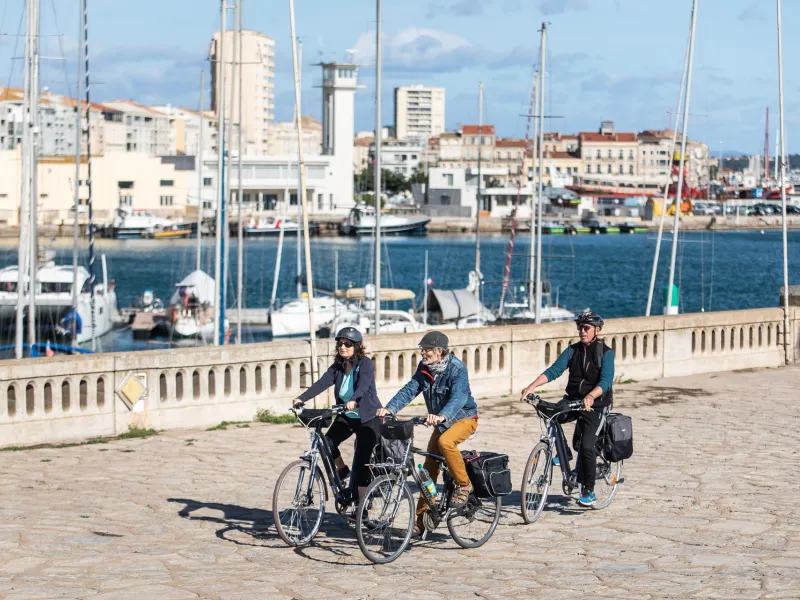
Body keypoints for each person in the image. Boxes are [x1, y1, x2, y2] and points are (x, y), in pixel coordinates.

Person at [377, 331, 478, 534]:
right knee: (427, 472)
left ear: (439, 351)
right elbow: (410, 389)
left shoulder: (457, 368)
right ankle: (422, 520)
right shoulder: (425, 368)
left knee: (446, 443)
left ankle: (464, 485)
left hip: (464, 418)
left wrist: (441, 416)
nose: (423, 353)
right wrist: (390, 409)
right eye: (421, 349)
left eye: (427, 349)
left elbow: (458, 398)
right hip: (441, 423)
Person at [520, 310, 615, 507]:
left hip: (595, 405)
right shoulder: (573, 351)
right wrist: (532, 387)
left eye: (586, 328)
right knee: (552, 414)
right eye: (580, 328)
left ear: (596, 330)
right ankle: (566, 454)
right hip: (573, 400)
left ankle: (588, 491)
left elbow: (606, 381)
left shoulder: (606, 353)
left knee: (587, 446)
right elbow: (554, 371)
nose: (582, 331)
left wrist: (590, 396)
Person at [292, 327, 382, 504]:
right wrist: (301, 398)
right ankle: (342, 470)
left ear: (356, 346)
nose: (343, 347)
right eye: (340, 343)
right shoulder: (338, 367)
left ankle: (361, 507)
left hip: (368, 418)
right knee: (327, 443)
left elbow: (363, 386)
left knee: (363, 462)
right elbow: (321, 383)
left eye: (348, 344)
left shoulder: (365, 364)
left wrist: (354, 399)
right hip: (347, 415)